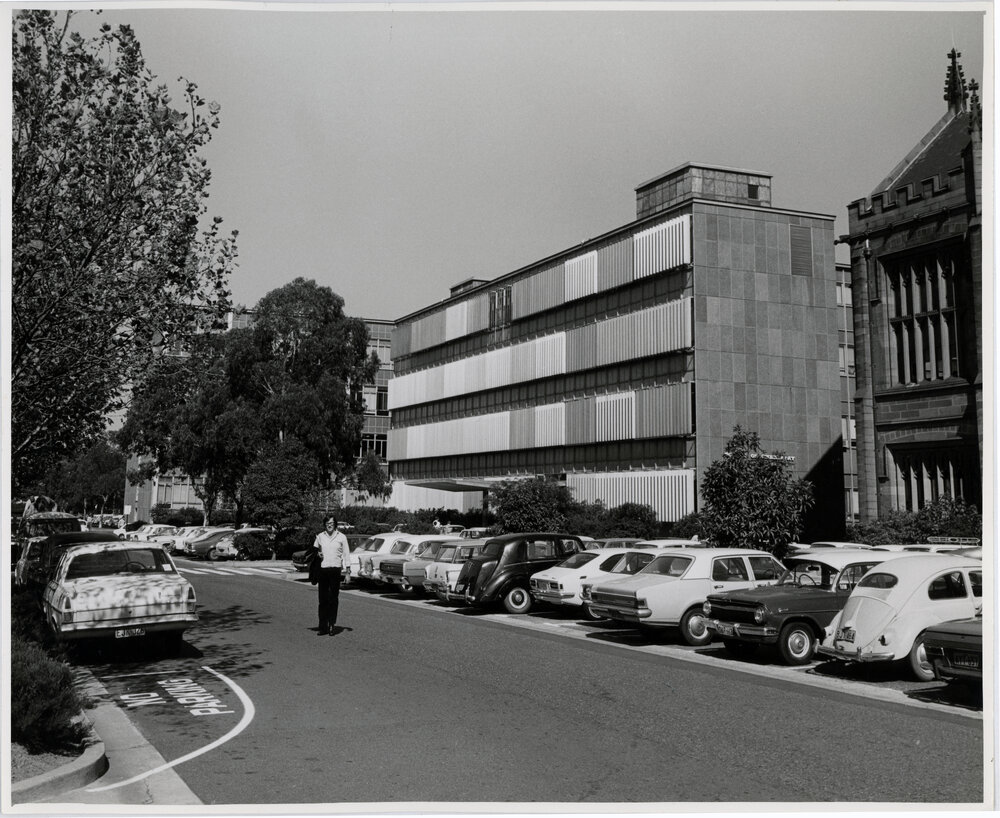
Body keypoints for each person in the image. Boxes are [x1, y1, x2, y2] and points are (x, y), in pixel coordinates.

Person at [313, 515, 350, 635]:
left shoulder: (342, 537)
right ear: (325, 524)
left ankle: (331, 625)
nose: (329, 525)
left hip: (335, 570)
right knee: (322, 599)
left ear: (335, 524)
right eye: (327, 523)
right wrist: (317, 554)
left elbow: (346, 554)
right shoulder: (320, 537)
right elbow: (313, 552)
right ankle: (322, 626)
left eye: (332, 523)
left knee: (333, 599)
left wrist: (348, 572)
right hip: (323, 570)